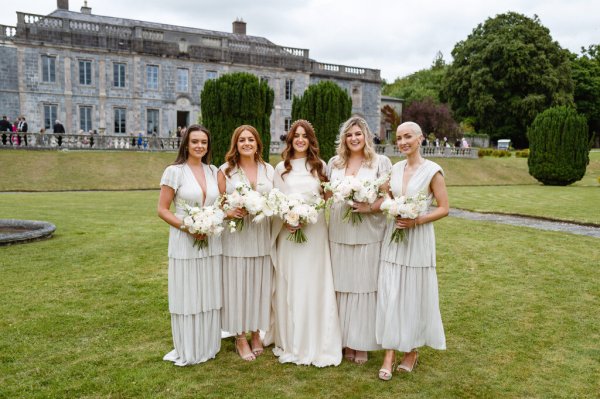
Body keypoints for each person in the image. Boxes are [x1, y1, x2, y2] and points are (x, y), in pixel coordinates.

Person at [265, 119, 342, 367]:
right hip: (288, 233)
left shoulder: (319, 167)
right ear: (290, 140)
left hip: (315, 233)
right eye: (295, 135)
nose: (300, 139)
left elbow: (327, 198)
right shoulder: (281, 169)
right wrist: (287, 219)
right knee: (291, 281)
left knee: (313, 282)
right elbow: (276, 202)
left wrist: (310, 213)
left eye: (304, 136)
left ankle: (317, 340)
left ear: (310, 140)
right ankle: (290, 339)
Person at [376, 121, 449, 380]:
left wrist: (416, 220)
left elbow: (443, 208)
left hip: (418, 238)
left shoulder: (433, 171)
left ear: (420, 139)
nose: (403, 141)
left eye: (408, 136)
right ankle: (389, 354)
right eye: (399, 137)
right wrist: (390, 205)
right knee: (391, 291)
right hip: (394, 238)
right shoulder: (394, 169)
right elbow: (388, 198)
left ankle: (411, 351)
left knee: (413, 294)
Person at [327, 117, 391, 365]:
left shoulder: (379, 162)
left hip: (368, 231)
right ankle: (344, 341)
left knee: (364, 286)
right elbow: (327, 193)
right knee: (342, 285)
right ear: (344, 138)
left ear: (366, 136)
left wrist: (369, 207)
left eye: (358, 134)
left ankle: (361, 342)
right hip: (340, 230)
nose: (354, 138)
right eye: (349, 135)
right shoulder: (335, 163)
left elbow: (387, 197)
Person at [157, 125, 222, 366]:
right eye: (194, 141)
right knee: (188, 293)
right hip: (185, 240)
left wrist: (211, 223)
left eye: (204, 142)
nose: (199, 146)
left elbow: (218, 205)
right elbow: (162, 210)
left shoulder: (213, 170)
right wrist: (189, 227)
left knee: (208, 291)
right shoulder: (174, 171)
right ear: (186, 143)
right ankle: (189, 346)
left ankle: (207, 343)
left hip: (212, 240)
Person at [217, 125, 274, 362]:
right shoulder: (225, 170)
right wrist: (229, 211)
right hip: (236, 237)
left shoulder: (268, 169)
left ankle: (256, 332)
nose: (247, 143)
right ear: (236, 144)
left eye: (251, 139)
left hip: (260, 233)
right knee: (237, 285)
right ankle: (240, 336)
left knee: (258, 284)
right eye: (242, 140)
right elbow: (218, 202)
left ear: (258, 143)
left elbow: (275, 199)